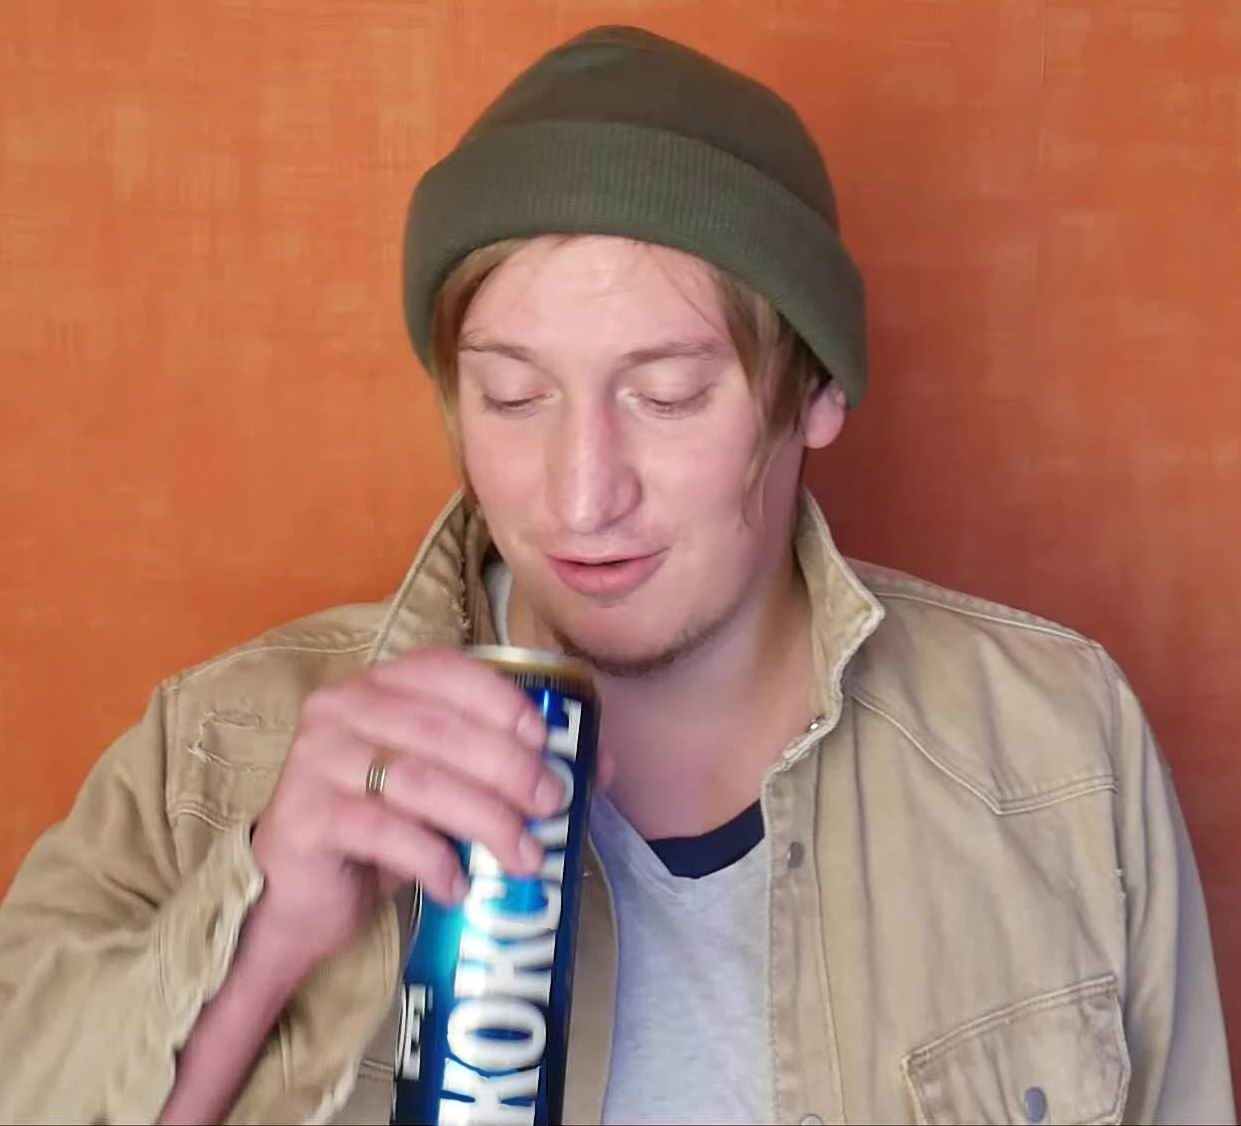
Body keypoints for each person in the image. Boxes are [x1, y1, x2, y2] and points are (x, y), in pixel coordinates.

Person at [0, 24, 1233, 1126]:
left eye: (668, 394)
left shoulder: (1055, 748)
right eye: (512, 394)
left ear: (814, 392)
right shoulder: (214, 757)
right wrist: (264, 934)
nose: (581, 496)